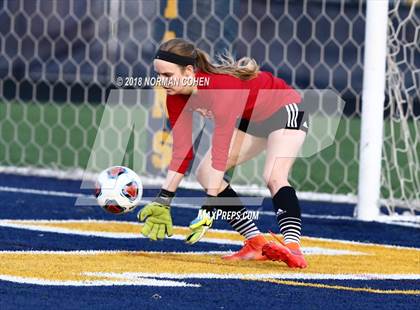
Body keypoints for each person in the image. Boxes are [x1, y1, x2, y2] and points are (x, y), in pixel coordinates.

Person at [138, 38, 308, 268]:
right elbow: (181, 152)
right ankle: (256, 242)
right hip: (253, 120)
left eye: (168, 75)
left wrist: (209, 207)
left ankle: (294, 247)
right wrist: (163, 200)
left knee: (273, 176)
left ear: (189, 71)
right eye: (158, 75)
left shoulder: (221, 89)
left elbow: (220, 148)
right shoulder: (175, 94)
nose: (162, 81)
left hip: (285, 108)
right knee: (206, 174)